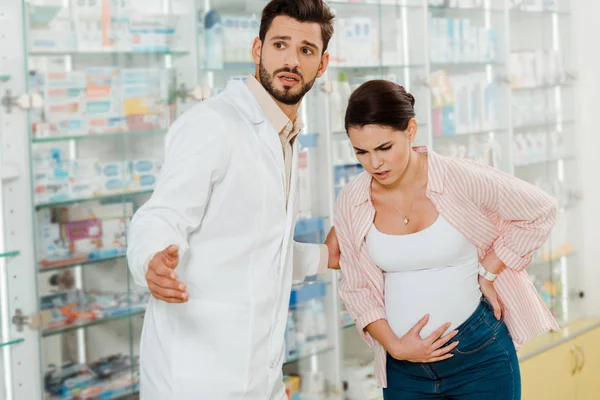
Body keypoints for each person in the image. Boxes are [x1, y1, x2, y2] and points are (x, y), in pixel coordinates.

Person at [126, 1, 340, 399]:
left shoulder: (284, 135)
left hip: (257, 377)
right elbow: (160, 216)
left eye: (306, 50)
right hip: (194, 378)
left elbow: (249, 246)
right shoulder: (213, 124)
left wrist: (323, 258)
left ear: (322, 65)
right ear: (257, 50)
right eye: (280, 45)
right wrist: (151, 260)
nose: (291, 60)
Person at [333, 80, 559, 399]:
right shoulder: (352, 201)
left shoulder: (457, 177)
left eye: (384, 148)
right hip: (404, 371)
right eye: (361, 152)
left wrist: (490, 270)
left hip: (479, 357)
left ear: (410, 131)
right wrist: (396, 347)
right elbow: (356, 288)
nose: (374, 164)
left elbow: (540, 209)